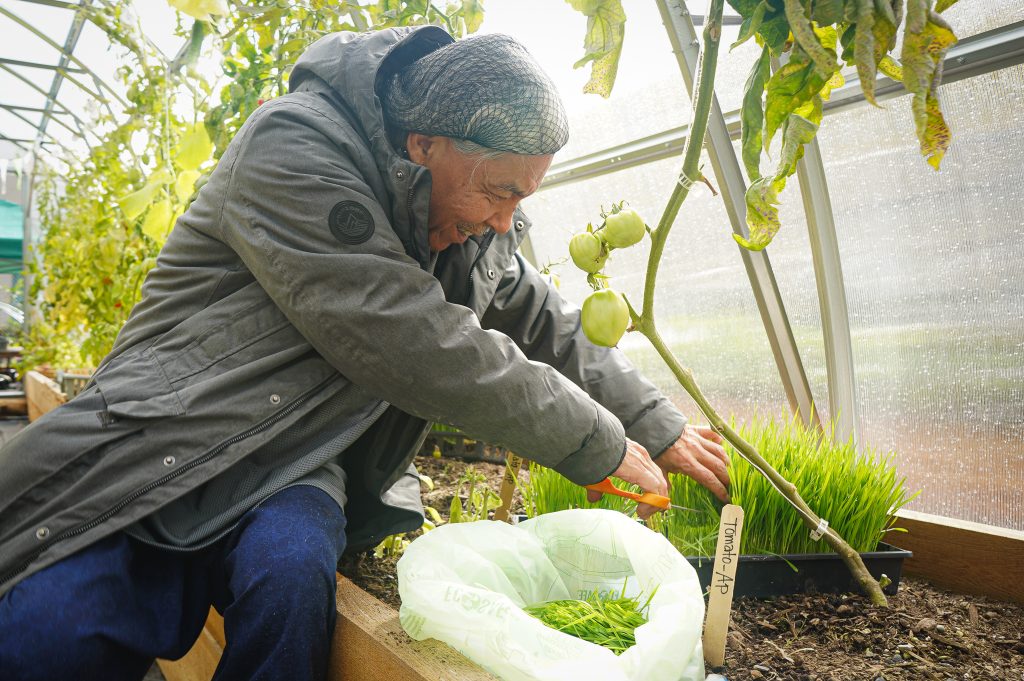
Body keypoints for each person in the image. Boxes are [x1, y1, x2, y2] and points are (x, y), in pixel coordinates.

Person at [0, 26, 729, 681]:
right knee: (40, 640)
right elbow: (408, 336)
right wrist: (594, 440)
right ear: (424, 146)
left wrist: (656, 424)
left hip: (298, 459)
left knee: (291, 576)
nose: (508, 222)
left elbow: (542, 316)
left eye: (522, 199)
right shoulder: (296, 146)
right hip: (172, 434)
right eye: (500, 193)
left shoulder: (476, 225)